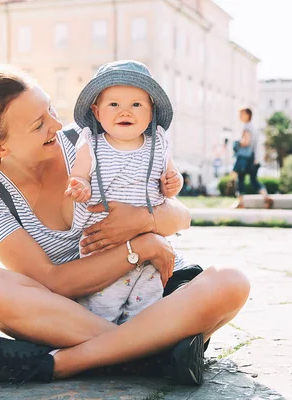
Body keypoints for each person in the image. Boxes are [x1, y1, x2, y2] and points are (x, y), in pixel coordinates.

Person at [0, 65, 250, 386]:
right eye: (39, 124)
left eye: (50, 110)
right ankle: (155, 354)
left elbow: (181, 217)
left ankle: (63, 362)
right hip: (75, 315)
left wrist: (144, 220)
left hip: (158, 295)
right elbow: (52, 281)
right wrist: (137, 248)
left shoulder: (89, 140)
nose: (57, 125)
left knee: (231, 281)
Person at [65, 60, 186, 325]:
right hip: (105, 246)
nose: (125, 112)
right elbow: (79, 174)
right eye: (114, 104)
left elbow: (172, 178)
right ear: (97, 112)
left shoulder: (160, 143)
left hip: (151, 246)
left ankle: (138, 344)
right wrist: (80, 187)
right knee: (102, 305)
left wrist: (172, 183)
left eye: (136, 104)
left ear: (151, 111)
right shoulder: (92, 143)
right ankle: (103, 342)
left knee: (147, 304)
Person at [231, 108, 273, 209]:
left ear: (247, 115)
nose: (239, 116)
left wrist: (237, 143)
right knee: (253, 180)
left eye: (241, 114)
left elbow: (246, 142)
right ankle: (266, 197)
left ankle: (241, 203)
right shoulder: (254, 128)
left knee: (240, 178)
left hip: (245, 158)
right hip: (253, 158)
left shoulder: (247, 127)